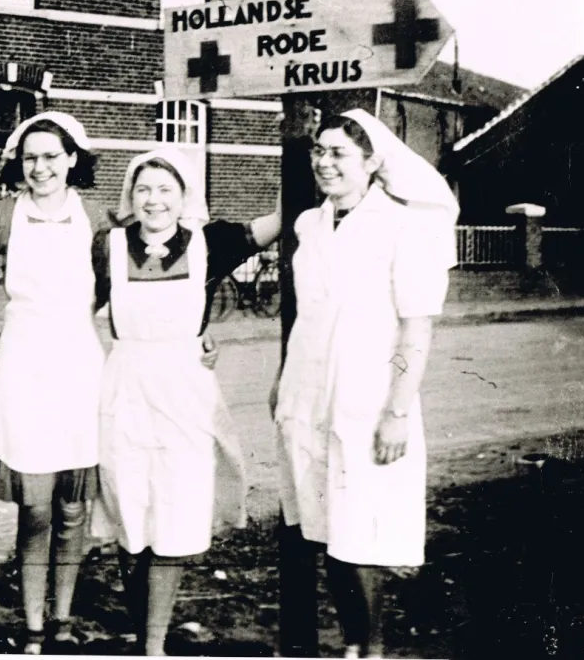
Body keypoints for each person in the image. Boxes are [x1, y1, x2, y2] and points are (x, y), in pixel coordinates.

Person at [272, 109, 460, 659]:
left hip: (368, 397)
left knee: (363, 531)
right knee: (323, 522)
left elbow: (415, 327)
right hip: (309, 393)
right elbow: (308, 316)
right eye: (319, 152)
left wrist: (397, 410)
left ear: (372, 162)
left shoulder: (402, 226)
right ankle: (353, 642)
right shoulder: (309, 224)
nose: (325, 163)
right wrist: (285, 381)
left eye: (339, 154)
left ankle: (369, 647)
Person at [89, 147, 282, 656]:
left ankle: (153, 645)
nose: (154, 200)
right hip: (125, 385)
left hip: (183, 389)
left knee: (173, 511)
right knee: (128, 508)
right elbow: (71, 309)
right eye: (144, 189)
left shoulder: (209, 243)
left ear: (184, 196)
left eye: (165, 189)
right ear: (131, 196)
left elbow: (278, 222)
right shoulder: (106, 245)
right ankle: (141, 624)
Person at [0, 112, 115, 654]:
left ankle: (62, 619)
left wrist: (196, 334)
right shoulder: (0, 215)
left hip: (79, 368)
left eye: (51, 156)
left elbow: (140, 293)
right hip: (24, 367)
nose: (40, 167)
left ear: (73, 159)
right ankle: (32, 625)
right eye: (30, 157)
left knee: (73, 508)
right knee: (37, 508)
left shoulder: (99, 221)